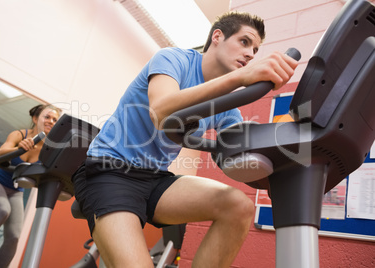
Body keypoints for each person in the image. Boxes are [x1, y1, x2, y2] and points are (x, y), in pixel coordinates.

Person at [72, 11, 298, 267]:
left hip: (155, 179)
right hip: (109, 170)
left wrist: (286, 150)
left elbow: (237, 150)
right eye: (245, 42)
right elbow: (161, 110)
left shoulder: (228, 106)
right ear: (217, 36)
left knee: (238, 206)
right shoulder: (173, 59)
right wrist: (238, 79)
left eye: (255, 50)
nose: (250, 54)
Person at [0, 104, 61, 268]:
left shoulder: (48, 151)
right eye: (47, 117)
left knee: (14, 236)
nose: (51, 121)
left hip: (15, 191)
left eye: (55, 120)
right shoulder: (20, 134)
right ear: (35, 119)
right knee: (2, 210)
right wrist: (18, 148)